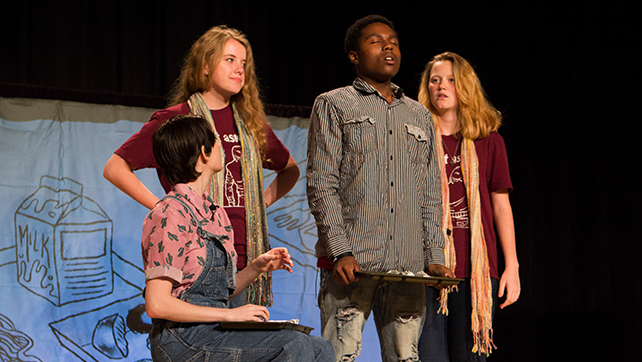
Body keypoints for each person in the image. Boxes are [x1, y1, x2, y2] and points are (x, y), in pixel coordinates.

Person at [103, 25, 299, 307]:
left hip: (244, 254)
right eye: (229, 60)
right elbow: (115, 167)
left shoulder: (250, 123)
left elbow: (289, 169)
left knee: (242, 346)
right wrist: (164, 207)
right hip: (196, 254)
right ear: (205, 66)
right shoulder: (178, 119)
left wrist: (258, 204)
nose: (239, 69)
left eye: (244, 63)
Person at [306, 15, 452, 362]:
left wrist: (434, 257)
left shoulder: (418, 116)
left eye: (394, 41)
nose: (388, 46)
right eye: (376, 41)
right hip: (353, 266)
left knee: (406, 356)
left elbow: (430, 192)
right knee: (339, 356)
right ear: (354, 55)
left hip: (407, 269)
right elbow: (321, 183)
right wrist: (340, 250)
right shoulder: (334, 103)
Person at [143, 114, 334, 362]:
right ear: (204, 153)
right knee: (292, 345)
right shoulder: (170, 213)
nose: (223, 149)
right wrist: (228, 315)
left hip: (215, 331)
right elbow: (157, 304)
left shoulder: (215, 213)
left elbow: (220, 293)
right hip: (181, 339)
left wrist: (256, 267)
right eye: (217, 143)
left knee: (321, 348)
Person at [416, 52, 521, 361]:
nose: (441, 86)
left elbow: (501, 206)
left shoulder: (489, 141)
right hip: (427, 270)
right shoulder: (415, 138)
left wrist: (511, 265)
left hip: (476, 269)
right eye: (434, 80)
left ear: (465, 87)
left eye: (450, 80)